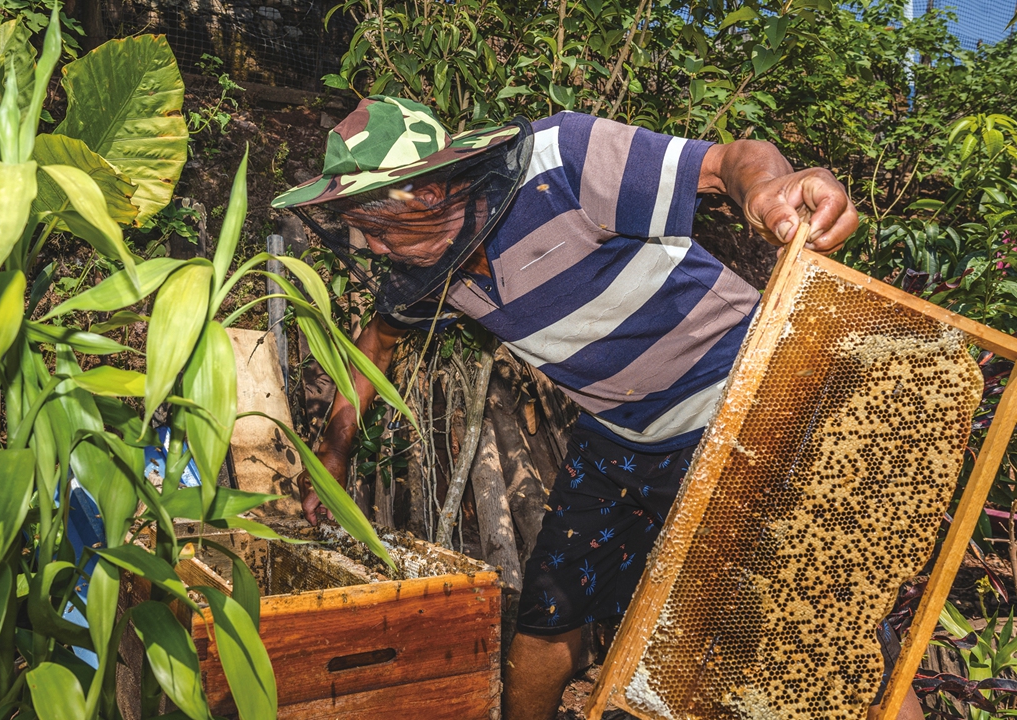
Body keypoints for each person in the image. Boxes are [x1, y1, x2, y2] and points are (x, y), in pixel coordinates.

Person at [271, 96, 924, 720]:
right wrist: (330, 459)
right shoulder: (422, 266)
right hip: (618, 434)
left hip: (740, 411)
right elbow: (374, 345)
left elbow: (729, 162)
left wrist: (769, 191)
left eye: (381, 227)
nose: (377, 249)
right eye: (364, 233)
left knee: (827, 632)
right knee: (547, 620)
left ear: (433, 188)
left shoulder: (563, 159)